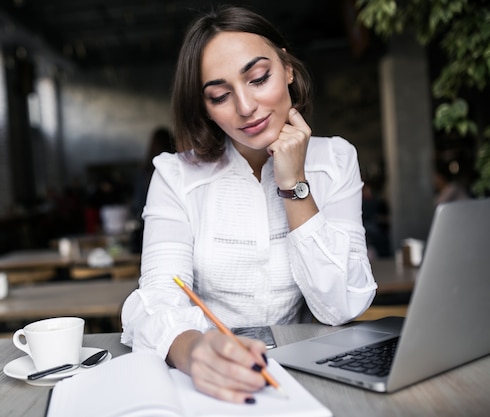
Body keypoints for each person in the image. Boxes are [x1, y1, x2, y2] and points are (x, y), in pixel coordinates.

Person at [121, 5, 376, 405]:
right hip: (208, 376)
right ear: (205, 106)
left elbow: (341, 306)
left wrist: (293, 184)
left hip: (308, 376)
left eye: (258, 78)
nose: (245, 106)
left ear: (287, 68)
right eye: (220, 95)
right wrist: (194, 351)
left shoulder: (335, 161)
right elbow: (156, 298)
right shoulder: (175, 176)